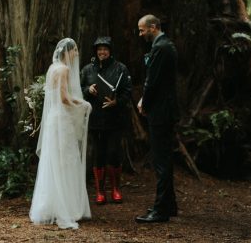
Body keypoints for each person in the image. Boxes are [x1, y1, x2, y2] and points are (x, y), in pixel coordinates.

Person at [29, 38, 92, 229]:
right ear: (68, 51)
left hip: (53, 119)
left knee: (54, 160)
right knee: (65, 161)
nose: (76, 55)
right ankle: (66, 207)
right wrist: (83, 104)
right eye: (75, 51)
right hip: (62, 120)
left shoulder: (52, 68)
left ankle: (50, 206)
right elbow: (64, 98)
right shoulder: (64, 70)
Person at [135, 15, 179, 223]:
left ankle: (160, 210)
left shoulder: (161, 48)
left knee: (161, 161)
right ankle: (169, 205)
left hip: (161, 111)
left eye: (142, 30)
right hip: (165, 109)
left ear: (153, 27)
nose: (140, 34)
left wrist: (145, 102)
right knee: (164, 158)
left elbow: (152, 80)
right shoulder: (165, 45)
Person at [81, 36, 132, 205]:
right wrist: (88, 90)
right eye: (99, 49)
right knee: (98, 154)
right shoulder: (88, 70)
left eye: (105, 49)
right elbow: (78, 89)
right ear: (95, 51)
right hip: (95, 119)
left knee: (114, 153)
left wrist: (116, 102)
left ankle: (116, 189)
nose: (102, 52)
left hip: (114, 119)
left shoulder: (120, 69)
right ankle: (100, 192)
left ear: (110, 51)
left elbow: (127, 91)